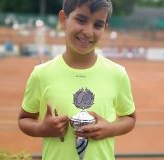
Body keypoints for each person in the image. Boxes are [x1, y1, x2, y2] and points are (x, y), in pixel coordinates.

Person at [18, 0, 136, 159]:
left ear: (105, 28)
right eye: (81, 20)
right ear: (63, 20)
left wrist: (110, 129)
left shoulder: (117, 74)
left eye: (98, 25)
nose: (88, 32)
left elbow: (130, 118)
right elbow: (24, 119)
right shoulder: (41, 74)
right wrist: (42, 129)